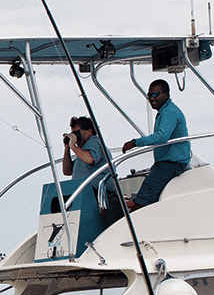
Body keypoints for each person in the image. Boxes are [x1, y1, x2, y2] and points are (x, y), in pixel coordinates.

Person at [122, 80, 191, 210]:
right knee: (144, 195)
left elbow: (162, 137)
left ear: (166, 94)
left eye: (156, 94)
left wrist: (135, 142)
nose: (152, 99)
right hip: (167, 163)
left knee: (142, 202)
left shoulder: (169, 112)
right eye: (149, 95)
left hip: (171, 165)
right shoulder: (166, 111)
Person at [62, 116, 106, 180]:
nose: (75, 136)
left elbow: (90, 159)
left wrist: (73, 146)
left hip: (98, 188)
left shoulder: (94, 141)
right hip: (83, 188)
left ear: (88, 131)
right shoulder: (82, 151)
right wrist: (67, 147)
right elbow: (67, 171)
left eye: (77, 133)